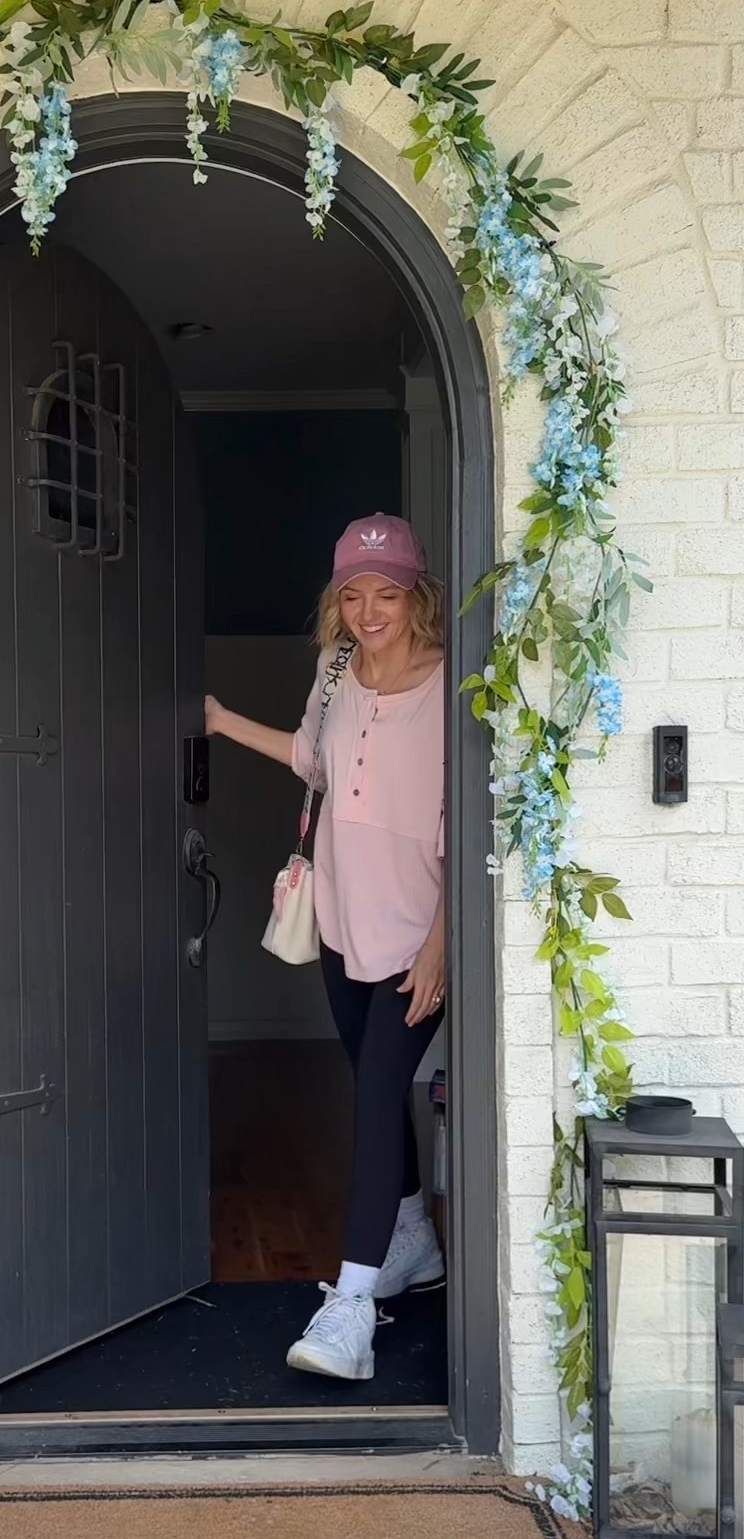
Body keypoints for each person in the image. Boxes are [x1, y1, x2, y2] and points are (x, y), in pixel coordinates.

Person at [205, 513, 446, 1382]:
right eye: (354, 594)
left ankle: (351, 1310)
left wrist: (443, 946)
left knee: (378, 1096)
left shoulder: (452, 683)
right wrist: (225, 723)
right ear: (336, 600)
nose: (370, 610)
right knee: (371, 1085)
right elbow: (313, 758)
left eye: (387, 592)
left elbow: (466, 822)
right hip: (345, 919)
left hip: (421, 930)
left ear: (416, 593)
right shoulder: (335, 667)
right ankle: (412, 1240)